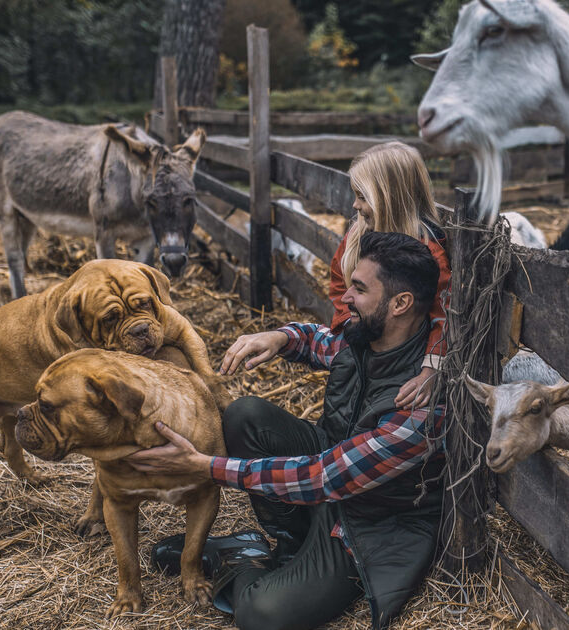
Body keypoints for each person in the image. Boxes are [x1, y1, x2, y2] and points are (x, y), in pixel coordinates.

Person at [126, 232, 446, 630]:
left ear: (400, 304)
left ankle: (243, 559)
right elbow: (319, 340)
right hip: (330, 475)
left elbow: (323, 477)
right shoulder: (366, 336)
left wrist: (206, 466)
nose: (345, 299)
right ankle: (290, 546)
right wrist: (279, 336)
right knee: (245, 416)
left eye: (359, 289)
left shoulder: (422, 402)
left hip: (373, 523)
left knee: (261, 616)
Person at [332, 141, 450, 410]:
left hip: (405, 364)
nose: (355, 205)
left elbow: (443, 315)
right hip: (362, 353)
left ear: (389, 197)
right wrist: (348, 327)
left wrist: (431, 369)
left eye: (362, 197)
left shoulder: (428, 252)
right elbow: (339, 283)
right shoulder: (356, 237)